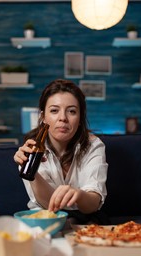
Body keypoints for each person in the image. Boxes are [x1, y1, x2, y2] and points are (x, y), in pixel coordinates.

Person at [14, 79, 109, 225]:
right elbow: (48, 206)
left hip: (86, 220)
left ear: (80, 118)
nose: (63, 118)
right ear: (43, 117)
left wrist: (79, 194)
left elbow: (93, 204)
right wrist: (31, 171)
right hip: (45, 219)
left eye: (71, 111)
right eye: (54, 110)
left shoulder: (93, 145)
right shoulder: (30, 149)